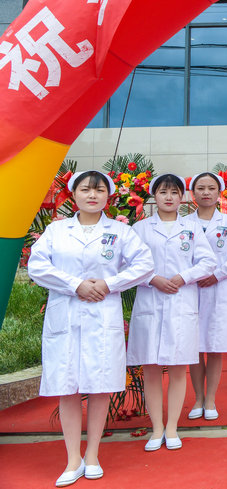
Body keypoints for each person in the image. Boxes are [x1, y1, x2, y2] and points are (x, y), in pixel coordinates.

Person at [28, 170, 153, 486]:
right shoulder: (57, 231)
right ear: (74, 195)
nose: (92, 195)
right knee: (67, 386)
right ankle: (73, 458)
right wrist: (76, 285)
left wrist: (110, 284)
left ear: (108, 195)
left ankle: (93, 454)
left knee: (99, 385)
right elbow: (38, 266)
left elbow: (144, 264)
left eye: (99, 190)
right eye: (86, 189)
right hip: (65, 315)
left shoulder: (119, 232)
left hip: (102, 314)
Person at [127, 174, 216, 452]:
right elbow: (127, 264)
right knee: (151, 368)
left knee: (178, 367)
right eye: (163, 192)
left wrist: (183, 277)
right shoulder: (139, 229)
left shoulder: (191, 230)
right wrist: (151, 278)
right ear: (154, 196)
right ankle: (156, 429)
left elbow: (208, 261)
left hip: (181, 302)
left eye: (174, 192)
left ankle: (173, 427)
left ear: (182, 198)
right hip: (150, 302)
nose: (168, 197)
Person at [183, 172, 227, 421]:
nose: (205, 192)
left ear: (219, 192)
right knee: (194, 347)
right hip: (191, 290)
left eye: (211, 188)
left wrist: (218, 274)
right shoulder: (184, 223)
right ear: (193, 193)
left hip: (220, 289)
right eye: (200, 188)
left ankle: (210, 399)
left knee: (214, 346)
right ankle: (198, 399)